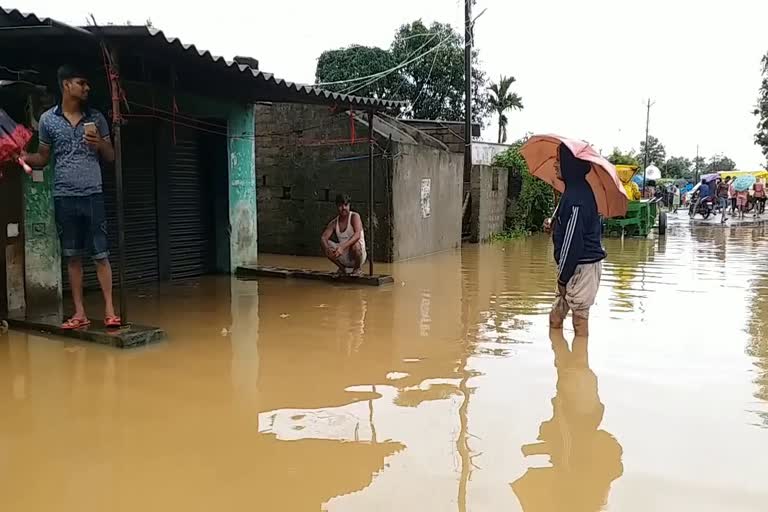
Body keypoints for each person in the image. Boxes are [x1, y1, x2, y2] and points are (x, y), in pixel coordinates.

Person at [21, 65, 118, 329]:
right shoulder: (47, 120)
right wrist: (22, 157)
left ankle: (110, 310)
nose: (87, 88)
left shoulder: (96, 118)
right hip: (64, 196)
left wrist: (100, 144)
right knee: (73, 256)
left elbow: (111, 157)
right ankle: (79, 313)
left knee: (101, 254)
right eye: (81, 82)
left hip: (93, 194)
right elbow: (42, 157)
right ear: (66, 85)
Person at [549, 144, 606, 337]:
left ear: (569, 165)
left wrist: (563, 278)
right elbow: (568, 229)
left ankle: (578, 365)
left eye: (560, 161)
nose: (556, 165)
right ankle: (562, 360)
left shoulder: (576, 198)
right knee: (555, 318)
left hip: (580, 267)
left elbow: (573, 242)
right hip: (571, 265)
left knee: (579, 320)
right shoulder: (573, 191)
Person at [320, 193, 367, 275]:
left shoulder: (354, 217)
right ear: (337, 207)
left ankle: (357, 269)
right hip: (343, 256)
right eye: (341, 206)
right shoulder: (334, 222)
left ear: (349, 205)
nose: (343, 208)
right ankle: (342, 269)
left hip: (358, 255)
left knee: (355, 245)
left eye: (346, 205)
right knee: (326, 244)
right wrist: (327, 249)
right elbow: (324, 237)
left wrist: (342, 247)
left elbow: (357, 235)